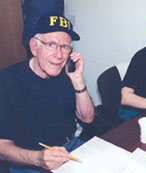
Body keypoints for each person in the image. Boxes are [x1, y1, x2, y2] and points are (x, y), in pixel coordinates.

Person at [0, 14, 94, 172]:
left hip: (70, 148)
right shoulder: (7, 81)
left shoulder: (67, 72)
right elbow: (2, 146)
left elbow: (88, 118)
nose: (59, 56)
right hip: (28, 159)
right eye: (51, 44)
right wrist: (38, 159)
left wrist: (77, 79)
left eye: (64, 47)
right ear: (34, 47)